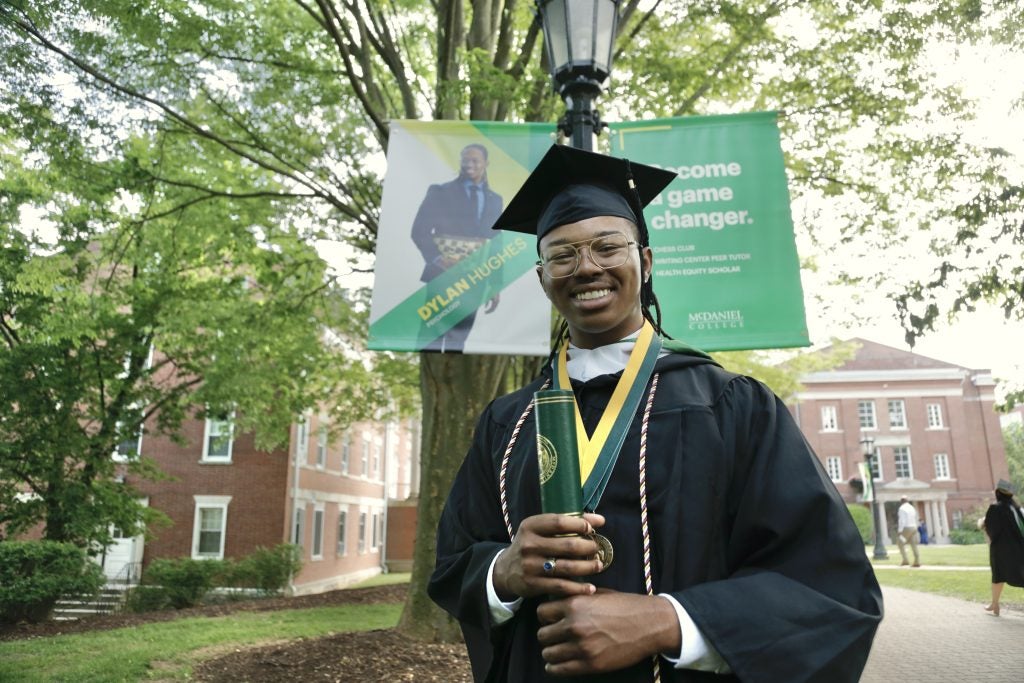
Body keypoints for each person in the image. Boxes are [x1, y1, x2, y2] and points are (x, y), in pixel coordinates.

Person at [428, 145, 882, 682]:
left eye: (606, 247)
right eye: (562, 255)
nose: (587, 267)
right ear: (542, 277)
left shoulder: (731, 407)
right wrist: (502, 571)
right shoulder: (506, 425)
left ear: (644, 262)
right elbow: (454, 566)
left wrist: (667, 622)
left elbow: (830, 587)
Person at [410, 143, 504, 352]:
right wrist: (438, 259)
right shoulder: (440, 192)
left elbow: (497, 242)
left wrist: (494, 284)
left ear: (485, 164)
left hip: (474, 279)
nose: (468, 165)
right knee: (429, 341)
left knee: (457, 344)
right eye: (465, 160)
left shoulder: (495, 200)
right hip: (441, 276)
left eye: (474, 160)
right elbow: (419, 230)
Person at [983, 479, 1024, 617]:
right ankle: (994, 604)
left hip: (1001, 549)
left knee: (998, 576)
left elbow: (992, 530)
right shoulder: (1016, 508)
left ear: (998, 493)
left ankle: (995, 604)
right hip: (1020, 547)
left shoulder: (995, 508)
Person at [896, 496, 921, 567]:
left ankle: (905, 560)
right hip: (913, 527)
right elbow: (915, 517)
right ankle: (917, 561)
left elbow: (902, 520)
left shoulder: (902, 509)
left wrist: (900, 530)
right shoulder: (912, 508)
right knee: (913, 544)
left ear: (901, 501)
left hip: (906, 528)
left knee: (900, 542)